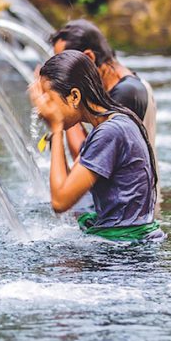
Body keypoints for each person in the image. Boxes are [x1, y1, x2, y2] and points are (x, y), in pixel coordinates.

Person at [29, 50, 163, 242]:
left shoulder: (110, 133)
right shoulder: (114, 121)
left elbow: (60, 201)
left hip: (124, 254)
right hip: (128, 243)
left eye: (49, 99)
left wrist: (57, 127)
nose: (44, 108)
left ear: (74, 96)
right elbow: (68, 184)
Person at [49, 19, 160, 215]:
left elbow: (84, 160)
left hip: (131, 215)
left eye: (65, 65)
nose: (60, 74)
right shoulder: (126, 86)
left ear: (88, 58)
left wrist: (62, 112)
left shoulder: (124, 96)